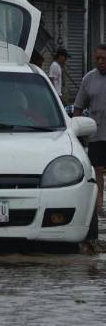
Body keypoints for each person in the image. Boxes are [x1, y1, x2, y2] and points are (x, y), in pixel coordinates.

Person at [73, 43, 106, 218]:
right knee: (97, 170)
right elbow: (78, 106)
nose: (100, 62)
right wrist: (76, 131)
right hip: (96, 134)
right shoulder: (89, 79)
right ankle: (99, 204)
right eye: (97, 59)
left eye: (104, 59)